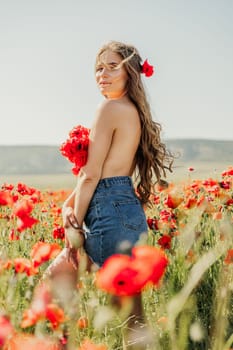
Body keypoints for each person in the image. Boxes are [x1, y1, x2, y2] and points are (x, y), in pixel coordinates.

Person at [45, 40, 173, 282]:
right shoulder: (134, 111)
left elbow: (91, 175)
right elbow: (106, 176)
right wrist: (66, 206)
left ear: (130, 72)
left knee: (56, 281)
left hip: (108, 214)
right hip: (128, 212)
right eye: (99, 68)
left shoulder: (109, 108)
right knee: (127, 307)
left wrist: (73, 232)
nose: (102, 74)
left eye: (112, 66)